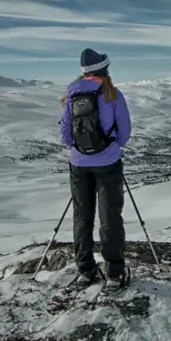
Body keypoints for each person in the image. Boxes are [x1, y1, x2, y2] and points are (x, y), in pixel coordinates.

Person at [59, 48, 132, 287]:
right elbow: (124, 135)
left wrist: (83, 150)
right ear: (105, 69)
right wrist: (108, 146)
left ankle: (86, 271)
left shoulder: (71, 95)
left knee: (82, 217)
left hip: (78, 164)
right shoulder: (113, 94)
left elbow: (65, 136)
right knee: (110, 217)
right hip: (108, 163)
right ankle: (114, 274)